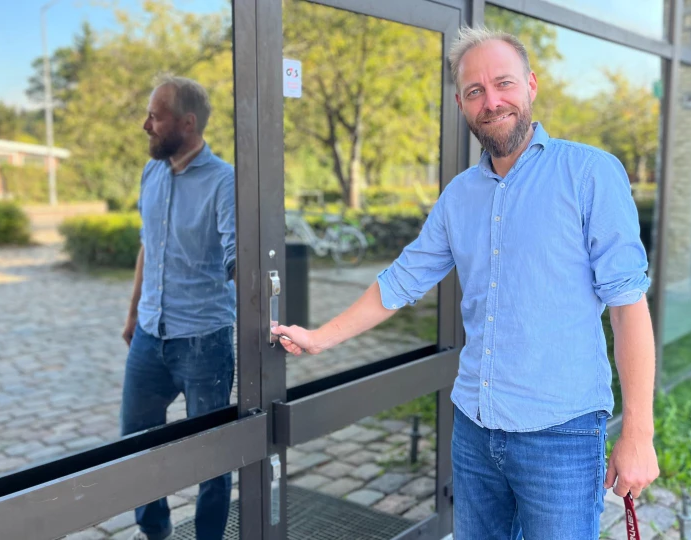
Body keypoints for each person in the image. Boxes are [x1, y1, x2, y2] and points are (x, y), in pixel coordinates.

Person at [272, 26, 659, 539]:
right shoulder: (459, 196)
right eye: (475, 91)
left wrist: (638, 433)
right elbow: (402, 280)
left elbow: (628, 307)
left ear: (531, 85)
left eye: (504, 83)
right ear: (461, 104)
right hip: (475, 431)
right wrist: (321, 338)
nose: (491, 101)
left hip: (561, 436)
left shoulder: (590, 174)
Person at [121, 75, 236, 540]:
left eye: (156, 116)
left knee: (212, 455)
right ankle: (156, 532)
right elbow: (148, 245)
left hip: (205, 340)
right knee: (135, 443)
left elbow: (240, 261)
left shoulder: (225, 181)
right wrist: (133, 313)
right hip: (150, 336)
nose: (145, 124)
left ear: (187, 123)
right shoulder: (151, 173)